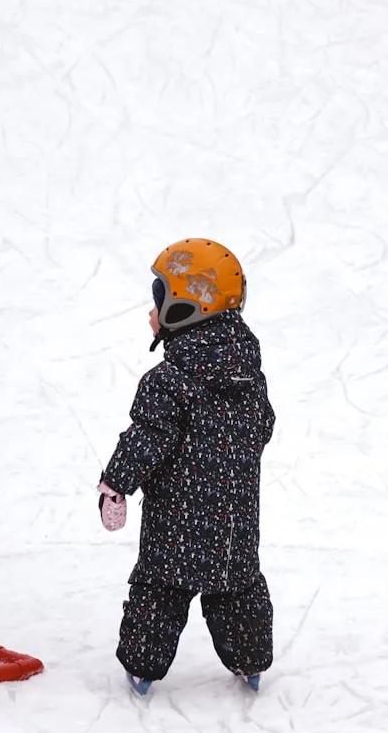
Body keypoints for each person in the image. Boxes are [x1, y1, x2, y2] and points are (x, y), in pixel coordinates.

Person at [96, 238, 276, 695]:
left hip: (175, 524)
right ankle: (251, 662)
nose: (150, 312)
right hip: (236, 523)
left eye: (158, 301)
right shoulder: (248, 375)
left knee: (159, 593)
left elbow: (146, 438)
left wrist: (115, 484)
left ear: (185, 309)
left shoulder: (169, 380)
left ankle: (142, 667)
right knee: (237, 589)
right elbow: (264, 426)